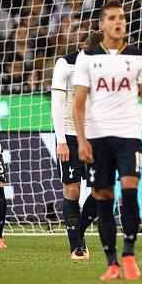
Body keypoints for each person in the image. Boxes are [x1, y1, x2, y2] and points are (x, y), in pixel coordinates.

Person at [72, 1, 142, 281]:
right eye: (112, 18)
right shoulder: (87, 58)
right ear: (102, 24)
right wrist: (82, 140)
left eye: (121, 17)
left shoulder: (140, 57)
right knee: (103, 197)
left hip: (129, 135)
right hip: (97, 138)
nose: (118, 22)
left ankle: (130, 255)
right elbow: (79, 103)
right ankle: (112, 263)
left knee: (129, 189)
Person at [51, 30, 103, 261]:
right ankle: (75, 246)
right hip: (71, 136)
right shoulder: (66, 64)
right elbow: (57, 104)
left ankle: (78, 232)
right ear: (86, 49)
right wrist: (61, 141)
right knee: (72, 189)